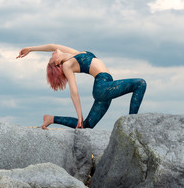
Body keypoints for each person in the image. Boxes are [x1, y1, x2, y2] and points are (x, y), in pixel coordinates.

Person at [16, 44, 146, 129]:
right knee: (140, 84)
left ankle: (51, 119)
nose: (52, 53)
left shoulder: (74, 54)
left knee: (86, 126)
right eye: (51, 58)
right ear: (56, 64)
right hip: (103, 87)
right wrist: (79, 115)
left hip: (105, 87)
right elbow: (74, 92)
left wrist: (31, 49)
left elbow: (52, 45)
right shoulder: (67, 65)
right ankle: (132, 124)